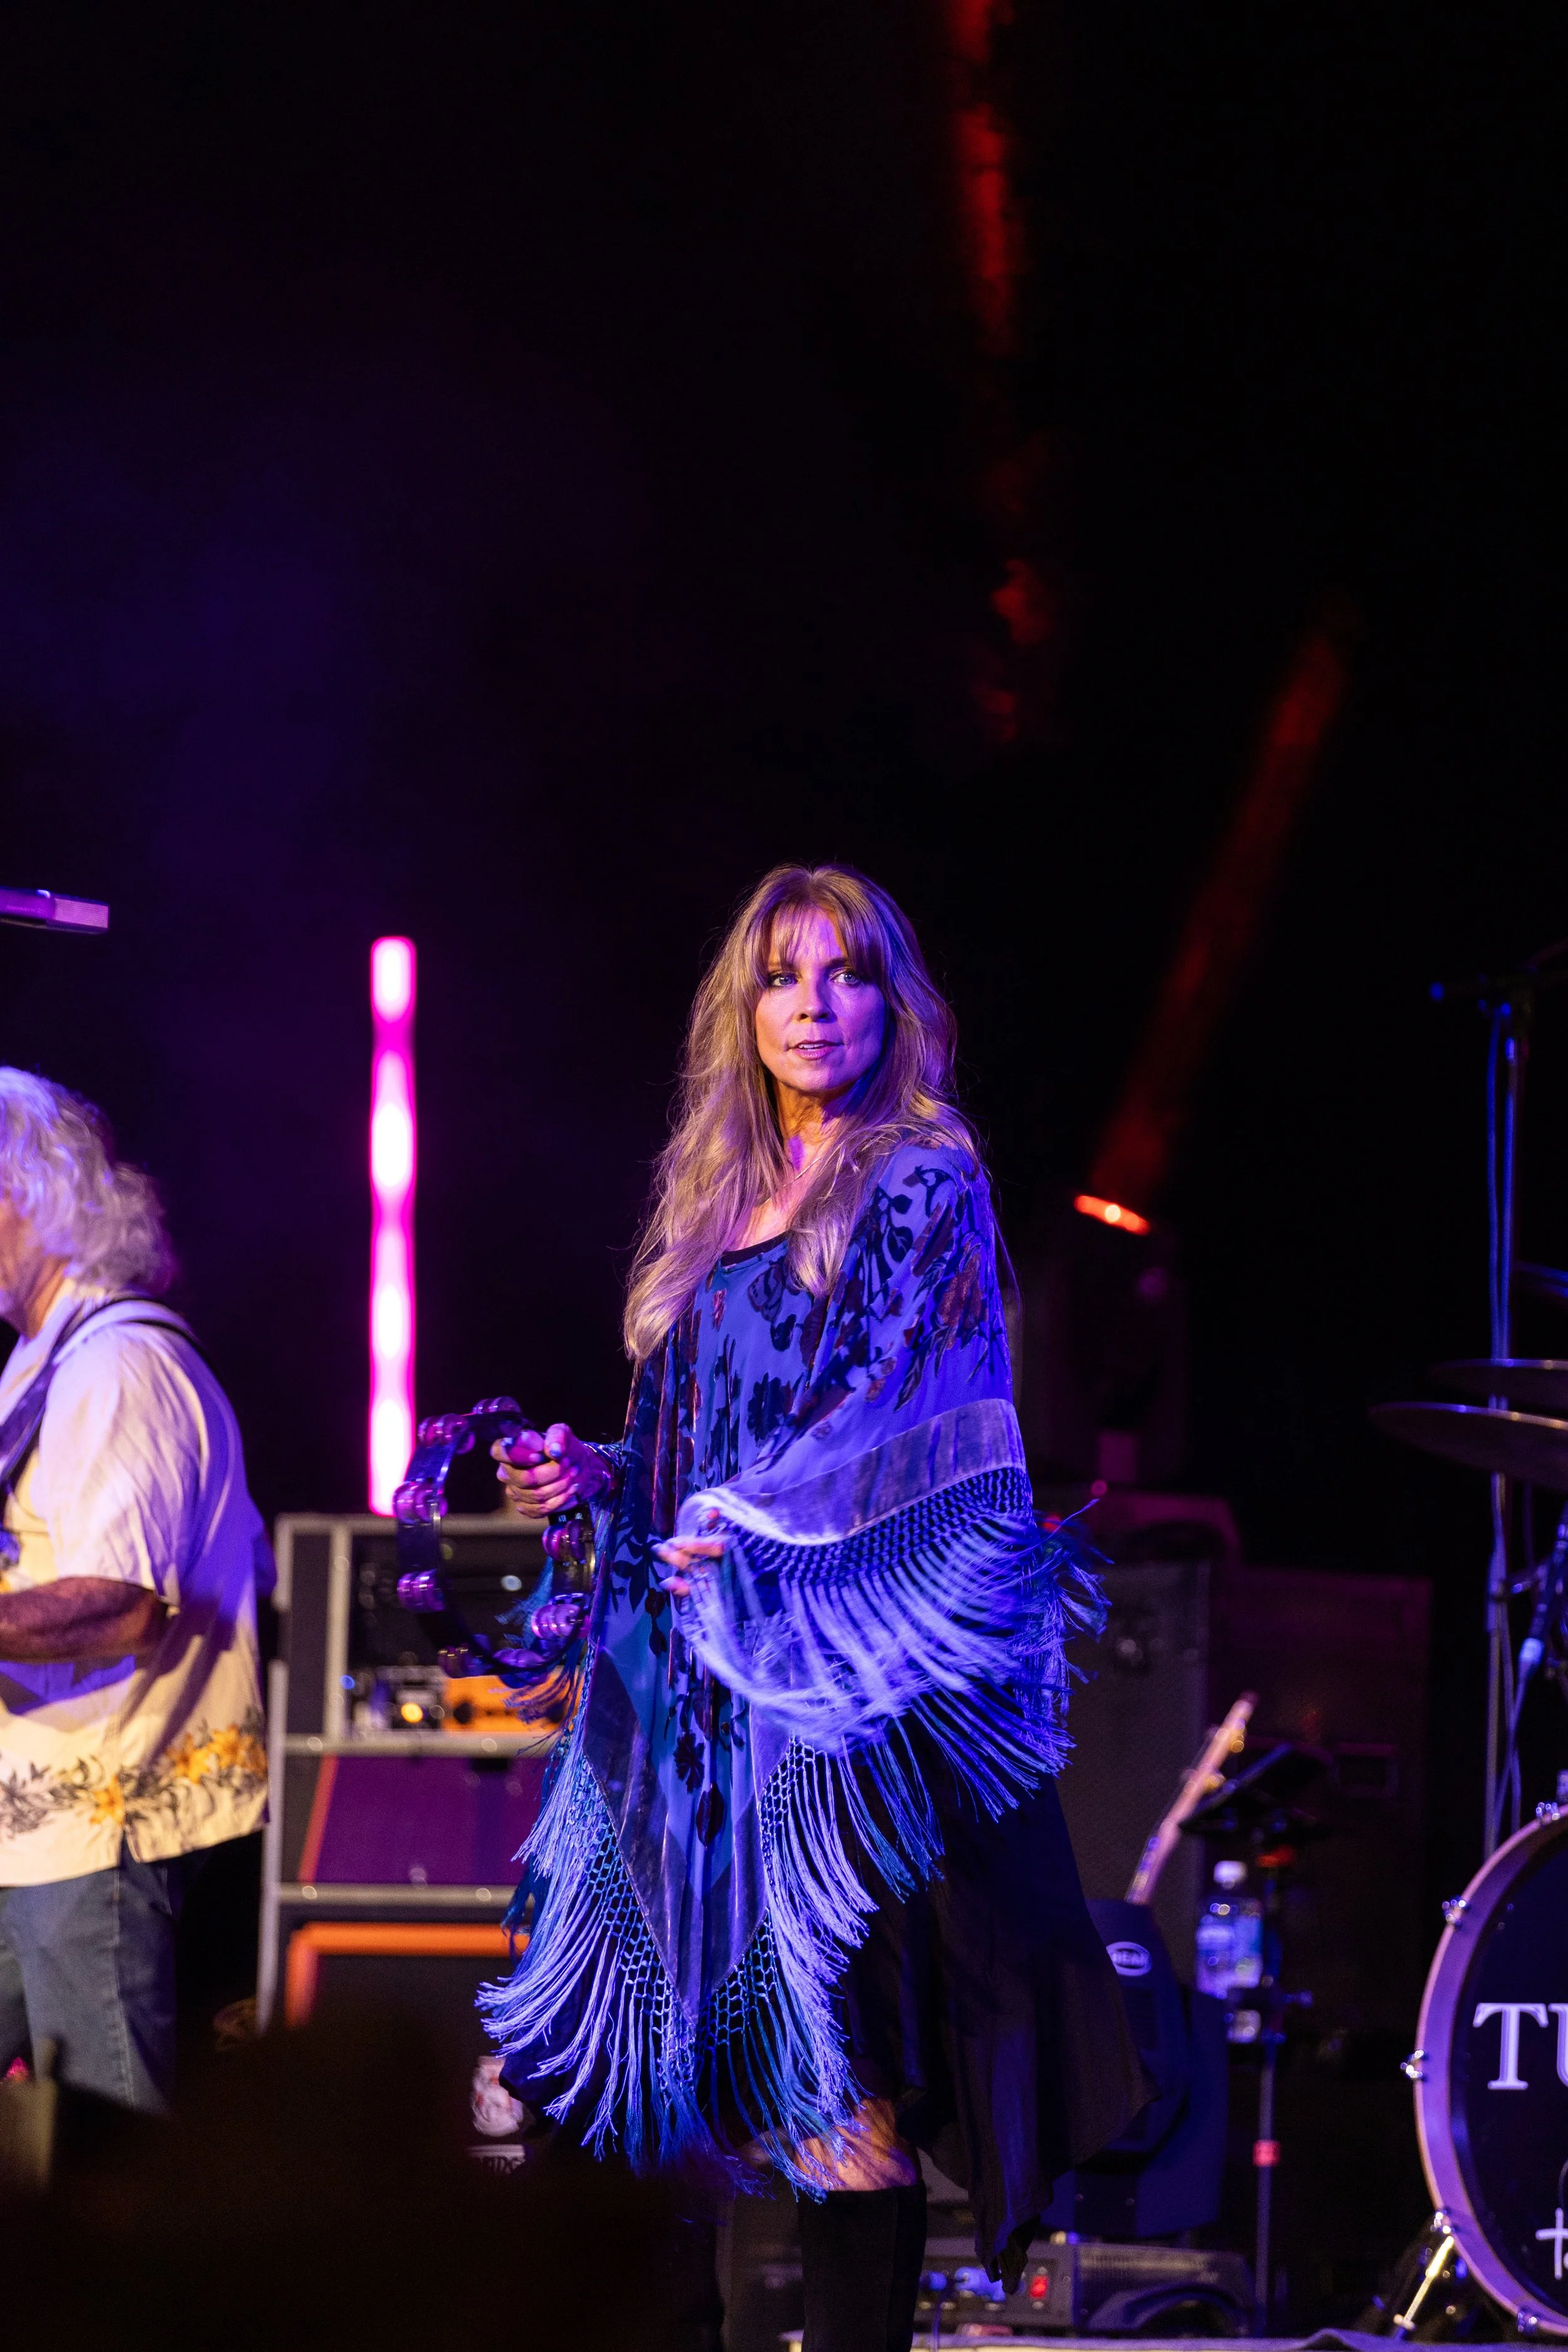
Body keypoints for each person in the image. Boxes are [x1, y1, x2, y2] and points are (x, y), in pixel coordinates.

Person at [482, 866, 1145, 2349]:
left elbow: (904, 1414)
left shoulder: (919, 1175)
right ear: (743, 1007)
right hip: (680, 1694)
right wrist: (590, 1474)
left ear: (893, 1004)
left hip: (819, 1697)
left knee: (832, 2088)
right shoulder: (713, 1196)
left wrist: (755, 1523)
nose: (813, 1006)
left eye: (846, 974)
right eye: (782, 977)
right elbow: (686, 1443)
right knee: (658, 2075)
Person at [0, 1071, 270, 2112]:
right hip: (37, 1828)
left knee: (105, 2155)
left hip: (100, 1831)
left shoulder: (119, 1364)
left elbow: (120, 1602)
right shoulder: (44, 1360)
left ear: (29, 1192)